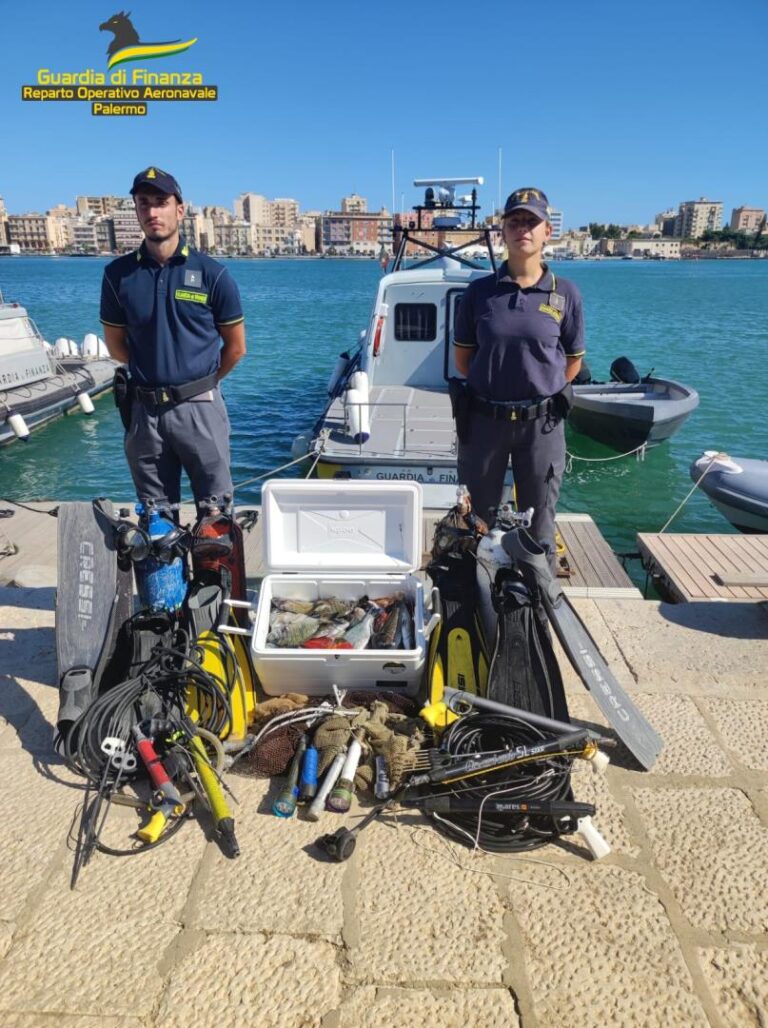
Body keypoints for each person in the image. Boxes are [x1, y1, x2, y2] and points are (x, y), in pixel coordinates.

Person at [100, 166, 246, 512]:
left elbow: (236, 348)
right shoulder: (117, 275)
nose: (152, 212)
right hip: (144, 414)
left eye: (161, 202)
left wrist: (200, 385)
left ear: (179, 210)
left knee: (215, 519)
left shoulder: (214, 274)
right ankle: (165, 567)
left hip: (200, 409)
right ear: (136, 210)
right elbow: (116, 346)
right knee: (156, 520)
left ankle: (212, 566)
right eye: (143, 203)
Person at [453, 187, 585, 569]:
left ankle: (534, 606)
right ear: (503, 233)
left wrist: (539, 387)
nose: (523, 228)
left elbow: (572, 362)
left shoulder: (566, 294)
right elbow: (465, 361)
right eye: (515, 221)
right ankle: (480, 607)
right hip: (483, 424)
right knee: (478, 522)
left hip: (541, 427)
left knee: (539, 525)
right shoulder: (479, 293)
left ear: (548, 232)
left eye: (532, 221)